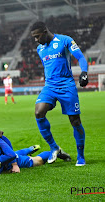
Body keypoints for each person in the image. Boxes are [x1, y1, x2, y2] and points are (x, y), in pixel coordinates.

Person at [30, 21, 88, 166]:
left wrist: (84, 72)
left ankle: (80, 156)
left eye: (37, 36)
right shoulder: (40, 49)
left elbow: (80, 57)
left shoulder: (65, 40)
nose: (36, 40)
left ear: (45, 31)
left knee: (75, 121)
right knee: (38, 112)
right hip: (49, 86)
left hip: (67, 85)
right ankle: (54, 147)